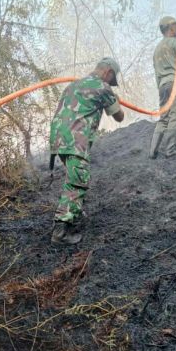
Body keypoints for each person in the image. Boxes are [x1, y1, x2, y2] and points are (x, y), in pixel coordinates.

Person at [49, 58, 125, 245]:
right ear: (108, 72)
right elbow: (119, 117)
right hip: (76, 141)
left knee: (74, 177)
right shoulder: (103, 88)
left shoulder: (74, 84)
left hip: (59, 139)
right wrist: (116, 100)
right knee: (77, 182)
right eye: (111, 79)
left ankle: (73, 212)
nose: (110, 83)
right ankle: (61, 231)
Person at [149, 15, 176, 159]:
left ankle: (152, 151)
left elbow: (156, 73)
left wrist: (160, 88)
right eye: (175, 26)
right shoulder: (175, 42)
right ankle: (170, 149)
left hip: (162, 86)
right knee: (175, 116)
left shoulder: (157, 49)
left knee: (164, 117)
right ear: (170, 27)